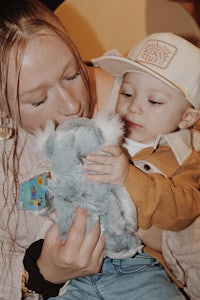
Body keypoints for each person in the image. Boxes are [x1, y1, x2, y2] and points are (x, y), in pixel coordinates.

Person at [0, 1, 194, 299]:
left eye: (73, 74)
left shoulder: (133, 100)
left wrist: (145, 214)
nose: (72, 105)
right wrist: (44, 273)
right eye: (38, 99)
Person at [82, 32, 200, 299]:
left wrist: (128, 177)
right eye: (127, 93)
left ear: (187, 116)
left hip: (139, 267)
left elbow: (181, 212)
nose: (134, 107)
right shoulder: (99, 131)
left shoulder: (188, 159)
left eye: (154, 101)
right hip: (80, 260)